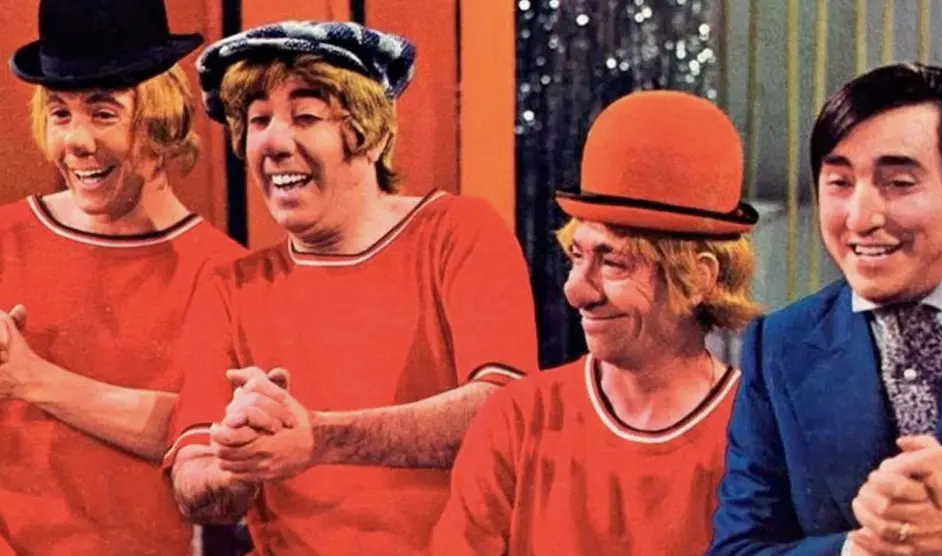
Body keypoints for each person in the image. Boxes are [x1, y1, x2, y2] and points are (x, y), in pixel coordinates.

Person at [162, 20, 539, 555]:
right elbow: (193, 478)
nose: (274, 142)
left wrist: (319, 437)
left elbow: (503, 411)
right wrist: (240, 455)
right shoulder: (231, 287)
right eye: (259, 120)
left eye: (306, 116)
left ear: (373, 133)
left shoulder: (457, 232)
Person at [429, 90, 761, 555]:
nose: (576, 290)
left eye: (614, 263)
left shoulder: (758, 435)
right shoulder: (519, 419)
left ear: (698, 279)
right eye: (576, 256)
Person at [709, 62, 942, 556]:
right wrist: (858, 550)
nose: (860, 219)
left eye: (898, 183)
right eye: (839, 182)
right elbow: (739, 549)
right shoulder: (780, 346)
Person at [0, 0, 245, 554]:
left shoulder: (225, 273)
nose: (76, 141)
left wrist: (31, 379)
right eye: (60, 113)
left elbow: (202, 433)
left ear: (162, 121)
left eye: (103, 113)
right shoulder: (6, 240)